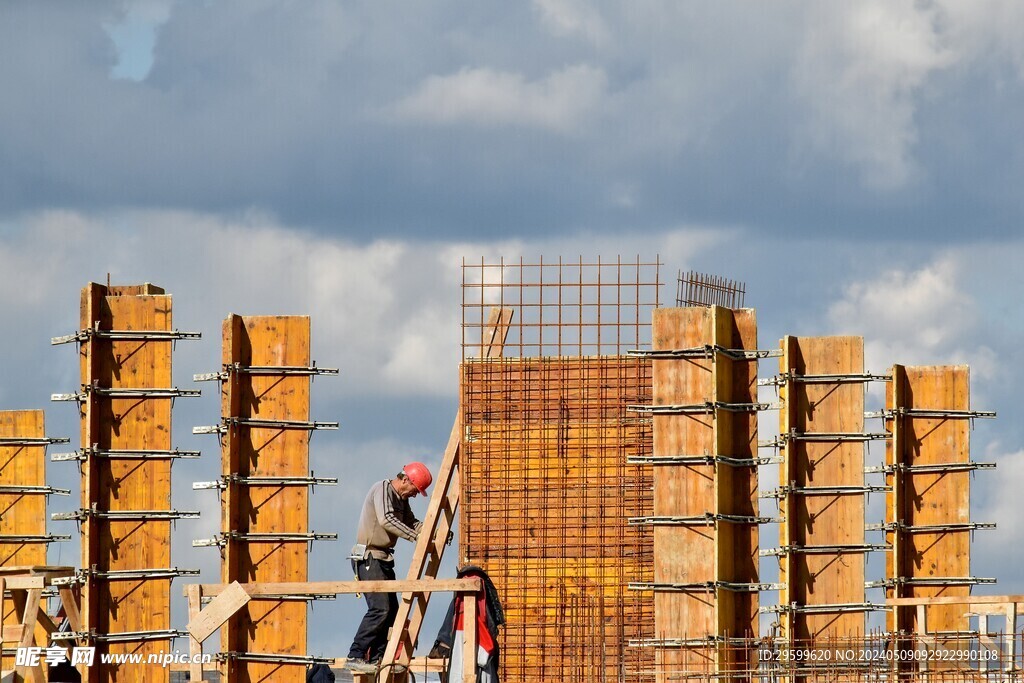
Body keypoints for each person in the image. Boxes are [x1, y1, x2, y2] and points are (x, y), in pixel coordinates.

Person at [346, 462, 433, 674]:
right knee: (380, 608)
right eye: (414, 490)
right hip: (369, 557)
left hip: (383, 559)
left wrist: (432, 532)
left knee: (392, 611)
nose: (414, 495)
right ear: (405, 480)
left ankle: (378, 658)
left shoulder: (401, 499)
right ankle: (355, 655)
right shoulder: (382, 489)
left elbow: (412, 522)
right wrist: (417, 537)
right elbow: (387, 520)